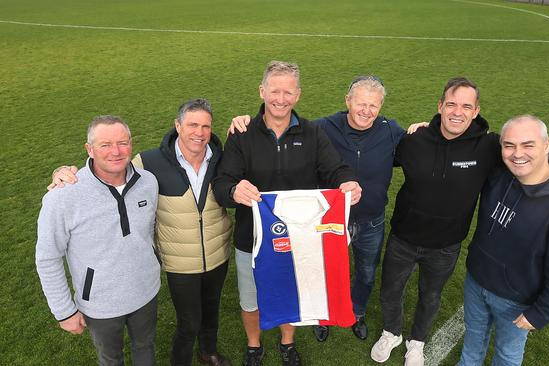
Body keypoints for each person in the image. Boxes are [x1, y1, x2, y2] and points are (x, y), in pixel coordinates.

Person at [370, 77, 549, 366]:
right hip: (402, 238)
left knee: (430, 297)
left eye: (466, 106)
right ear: (440, 106)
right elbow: (376, 155)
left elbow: (548, 157)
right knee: (390, 291)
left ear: (476, 111)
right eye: (451, 104)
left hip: (446, 246)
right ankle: (391, 332)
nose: (457, 112)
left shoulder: (490, 146)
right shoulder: (414, 139)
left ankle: (417, 342)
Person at [48, 99, 233, 366]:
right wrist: (62, 172)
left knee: (211, 312)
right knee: (189, 322)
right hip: (180, 262)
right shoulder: (149, 162)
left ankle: (208, 352)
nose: (199, 132)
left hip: (218, 253)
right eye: (192, 124)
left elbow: (246, 169)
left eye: (206, 126)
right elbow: (110, 166)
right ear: (177, 126)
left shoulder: (221, 158)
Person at [228, 75, 407, 342]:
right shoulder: (320, 128)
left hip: (360, 221)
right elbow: (224, 181)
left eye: (374, 105)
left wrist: (422, 129)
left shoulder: (388, 130)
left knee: (359, 273)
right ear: (348, 101)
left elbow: (341, 167)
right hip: (299, 225)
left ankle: (347, 315)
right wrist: (233, 188)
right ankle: (292, 329)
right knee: (305, 275)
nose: (366, 111)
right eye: (361, 103)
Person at [212, 60, 362, 366]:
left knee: (288, 290)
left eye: (288, 92)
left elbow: (336, 169)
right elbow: (222, 181)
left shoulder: (313, 134)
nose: (281, 98)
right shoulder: (242, 134)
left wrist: (347, 182)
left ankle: (287, 342)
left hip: (298, 236)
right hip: (251, 237)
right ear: (262, 90)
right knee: (250, 298)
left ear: (298, 95)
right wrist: (233, 190)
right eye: (275, 90)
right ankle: (254, 345)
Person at [457, 115, 549, 365]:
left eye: (528, 145)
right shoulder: (500, 171)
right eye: (509, 145)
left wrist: (541, 313)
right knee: (472, 342)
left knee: (507, 354)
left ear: (546, 145)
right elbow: (465, 137)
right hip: (476, 281)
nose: (517, 153)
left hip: (516, 300)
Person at [36, 115, 160, 366]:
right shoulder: (63, 197)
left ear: (131, 144)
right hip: (100, 303)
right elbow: (48, 258)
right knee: (111, 359)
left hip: (146, 291)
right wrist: (64, 311)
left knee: (145, 348)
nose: (116, 151)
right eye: (105, 145)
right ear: (89, 149)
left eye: (122, 143)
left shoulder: (148, 182)